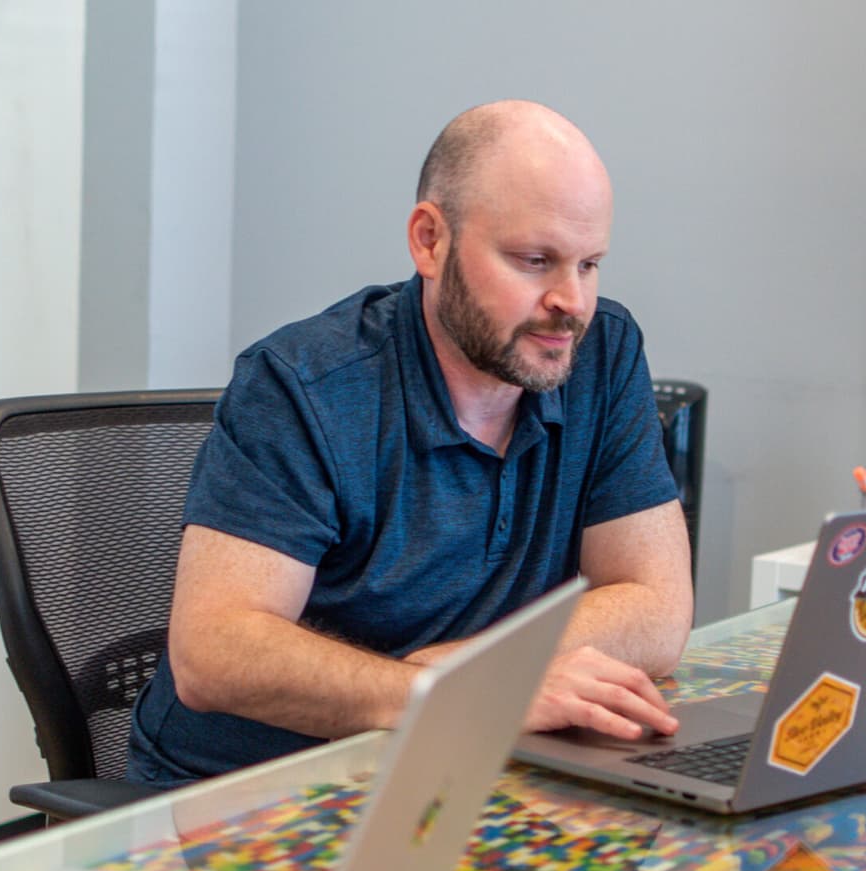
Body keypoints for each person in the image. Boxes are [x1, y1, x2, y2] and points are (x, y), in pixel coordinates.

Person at [125, 101, 692, 787]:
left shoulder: (601, 352)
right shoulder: (302, 386)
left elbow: (658, 607)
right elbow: (213, 654)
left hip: (456, 763)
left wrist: (467, 676)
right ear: (430, 241)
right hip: (259, 788)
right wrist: (463, 690)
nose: (571, 301)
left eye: (589, 264)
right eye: (535, 260)